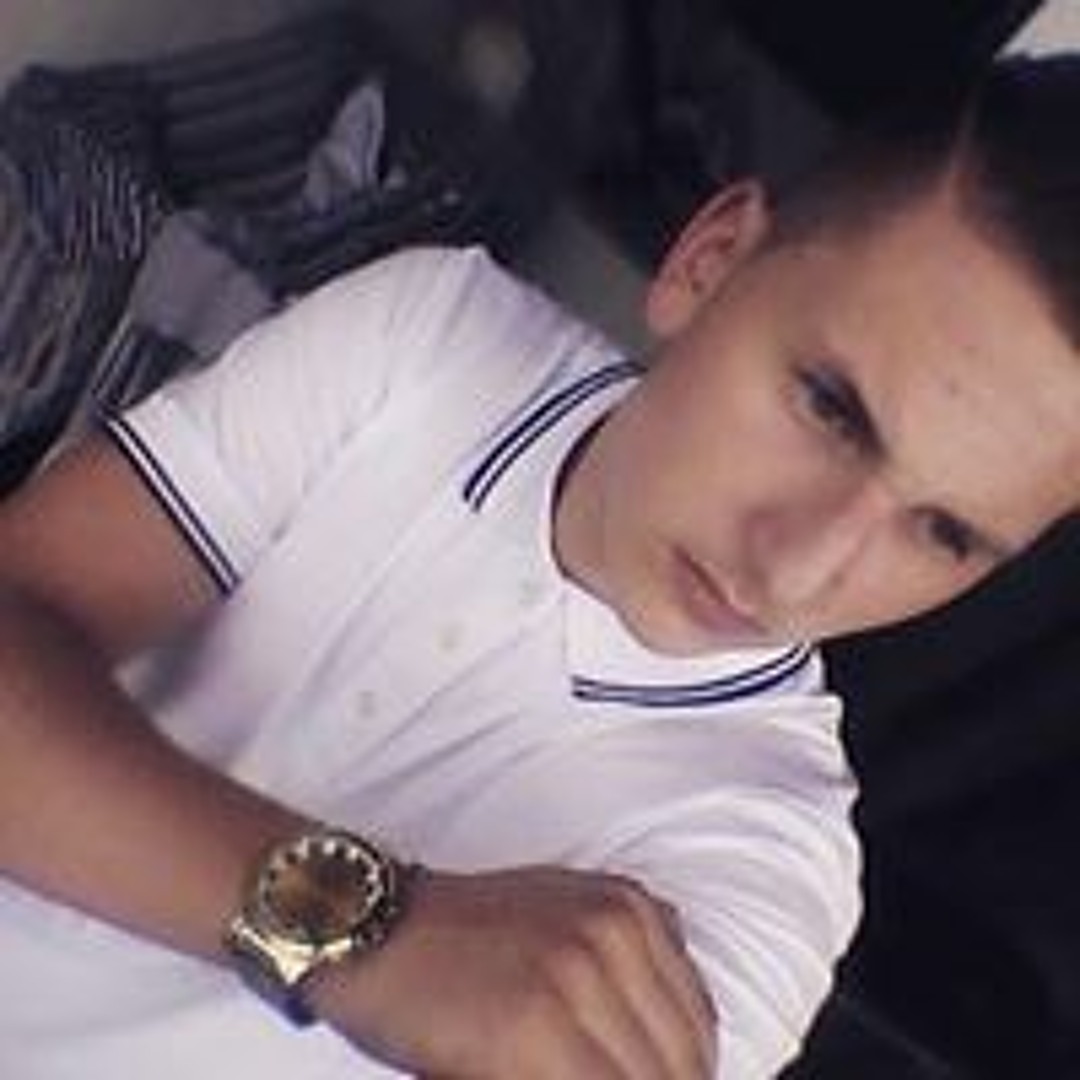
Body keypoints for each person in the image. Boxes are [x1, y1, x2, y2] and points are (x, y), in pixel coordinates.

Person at [1, 52, 1080, 1080]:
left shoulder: (762, 869)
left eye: (944, 533)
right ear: (709, 261)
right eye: (830, 409)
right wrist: (367, 933)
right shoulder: (432, 340)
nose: (798, 571)